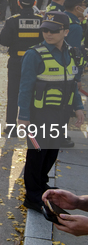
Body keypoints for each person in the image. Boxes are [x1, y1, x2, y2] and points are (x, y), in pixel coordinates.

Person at [18, 11, 85, 213]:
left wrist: (78, 107)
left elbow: (73, 84)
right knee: (37, 154)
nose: (48, 34)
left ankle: (41, 186)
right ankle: (32, 196)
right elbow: (25, 87)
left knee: (51, 152)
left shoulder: (73, 53)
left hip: (61, 114)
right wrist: (23, 117)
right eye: (45, 30)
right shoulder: (34, 54)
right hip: (39, 115)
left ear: (66, 31)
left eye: (54, 31)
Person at [0, 0, 43, 126]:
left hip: (16, 63)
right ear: (34, 3)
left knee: (13, 95)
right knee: (33, 94)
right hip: (36, 63)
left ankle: (11, 126)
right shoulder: (42, 21)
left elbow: (3, 41)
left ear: (19, 3)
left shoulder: (12, 21)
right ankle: (31, 123)